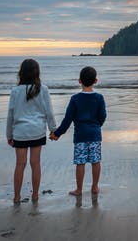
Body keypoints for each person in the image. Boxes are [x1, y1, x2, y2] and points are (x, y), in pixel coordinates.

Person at [49, 65, 106, 196]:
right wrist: (97, 126)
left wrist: (57, 133)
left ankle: (79, 189)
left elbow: (67, 119)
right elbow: (102, 116)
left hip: (80, 135)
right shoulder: (99, 98)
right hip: (94, 134)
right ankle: (95, 187)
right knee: (96, 161)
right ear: (95, 81)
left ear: (79, 80)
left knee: (80, 162)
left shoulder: (75, 99)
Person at [6, 58, 55, 204]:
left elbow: (11, 114)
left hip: (20, 132)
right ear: (36, 73)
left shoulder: (15, 91)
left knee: (20, 165)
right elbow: (49, 112)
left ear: (21, 73)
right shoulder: (43, 89)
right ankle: (35, 195)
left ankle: (16, 196)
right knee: (36, 164)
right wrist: (53, 130)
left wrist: (9, 134)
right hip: (37, 131)